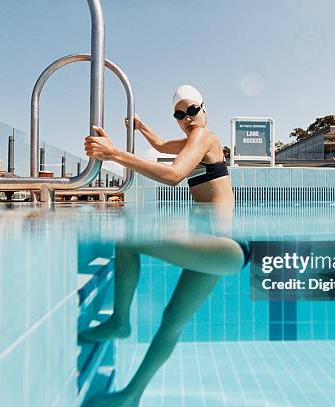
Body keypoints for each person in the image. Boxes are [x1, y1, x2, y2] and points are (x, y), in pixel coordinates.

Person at [80, 85, 248, 406]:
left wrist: (114, 153)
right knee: (172, 321)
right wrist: (141, 128)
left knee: (129, 243)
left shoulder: (205, 137)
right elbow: (160, 145)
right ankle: (131, 396)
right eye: (180, 114)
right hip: (221, 249)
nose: (188, 118)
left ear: (205, 108)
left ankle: (119, 322)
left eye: (193, 110)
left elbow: (173, 175)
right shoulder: (192, 142)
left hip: (222, 247)